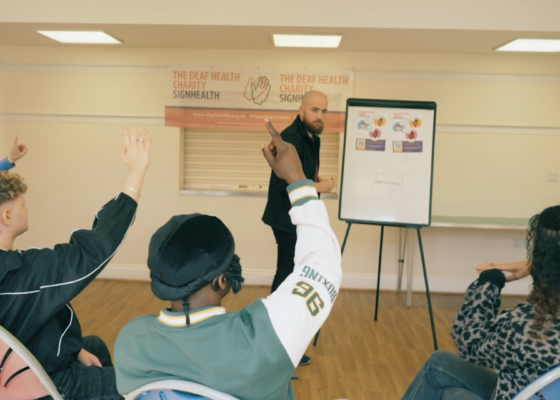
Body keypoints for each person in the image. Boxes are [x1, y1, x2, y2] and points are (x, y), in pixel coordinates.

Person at [114, 120, 342, 400]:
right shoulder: (265, 337)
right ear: (222, 280)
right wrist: (297, 180)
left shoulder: (130, 342)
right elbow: (323, 266)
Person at [0, 126, 152, 400]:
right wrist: (136, 173)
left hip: (15, 366)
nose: (27, 207)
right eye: (22, 203)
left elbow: (30, 315)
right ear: (7, 217)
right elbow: (94, 248)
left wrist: (6, 162)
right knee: (139, 385)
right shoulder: (26, 273)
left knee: (93, 346)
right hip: (48, 381)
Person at [402, 205, 560, 400]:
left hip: (516, 394)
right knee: (438, 362)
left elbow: (469, 340)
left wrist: (489, 284)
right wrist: (539, 265)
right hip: (537, 390)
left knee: (450, 393)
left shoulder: (530, 326)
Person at [262, 90, 334, 366]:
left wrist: (315, 183)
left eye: (324, 111)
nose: (320, 116)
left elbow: (301, 175)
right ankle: (277, 340)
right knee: (288, 277)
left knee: (292, 276)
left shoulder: (310, 137)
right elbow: (285, 183)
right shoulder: (291, 138)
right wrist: (319, 187)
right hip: (286, 219)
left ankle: (282, 339)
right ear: (301, 109)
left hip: (297, 217)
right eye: (315, 110)